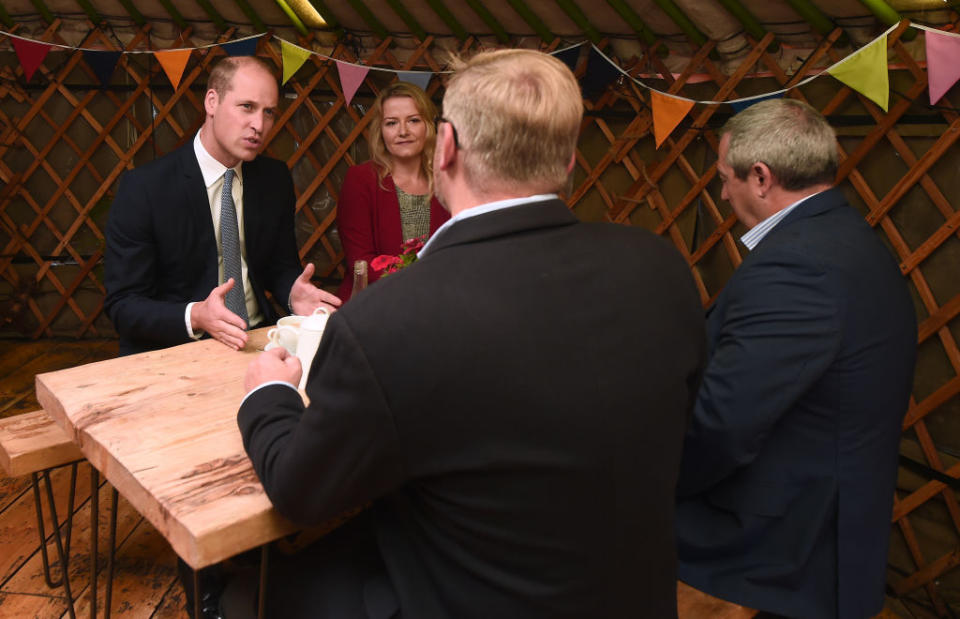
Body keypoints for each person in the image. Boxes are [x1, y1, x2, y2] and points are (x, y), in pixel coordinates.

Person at [236, 49, 705, 618]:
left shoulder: (390, 322)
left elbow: (300, 492)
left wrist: (269, 392)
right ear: (570, 160)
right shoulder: (661, 271)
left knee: (236, 589)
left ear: (446, 147)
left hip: (467, 599)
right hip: (629, 598)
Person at [675, 99, 917, 618]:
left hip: (781, 547)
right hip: (825, 520)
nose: (721, 192)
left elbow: (726, 423)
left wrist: (657, 481)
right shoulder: (849, 238)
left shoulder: (798, 266)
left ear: (760, 177)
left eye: (725, 178)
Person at [104, 55, 340, 356]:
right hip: (177, 349)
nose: (259, 125)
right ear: (212, 102)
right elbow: (123, 305)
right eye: (247, 107)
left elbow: (278, 266)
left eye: (269, 113)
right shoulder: (145, 189)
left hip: (257, 337)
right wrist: (197, 316)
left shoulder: (273, 178)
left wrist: (293, 294)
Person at [335, 81, 450, 301]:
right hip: (374, 302)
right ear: (381, 131)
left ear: (428, 125)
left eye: (414, 120)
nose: (403, 131)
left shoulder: (446, 181)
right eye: (391, 123)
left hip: (438, 301)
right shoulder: (361, 179)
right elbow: (361, 264)